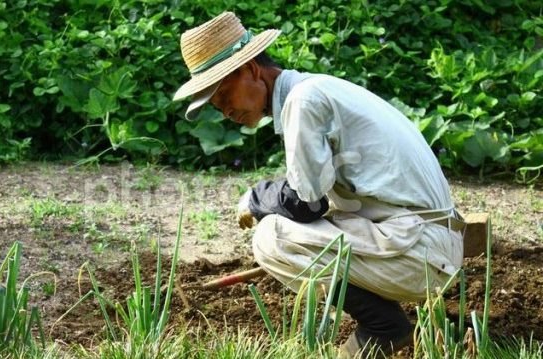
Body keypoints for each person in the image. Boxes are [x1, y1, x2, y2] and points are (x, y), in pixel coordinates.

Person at [172, 12, 465, 358]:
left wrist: (254, 200)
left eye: (223, 97)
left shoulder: (303, 101)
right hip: (426, 240)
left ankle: (385, 327)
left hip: (422, 253)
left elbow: (305, 203)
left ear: (250, 69)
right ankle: (399, 323)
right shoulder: (313, 89)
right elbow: (316, 194)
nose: (224, 113)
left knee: (271, 239)